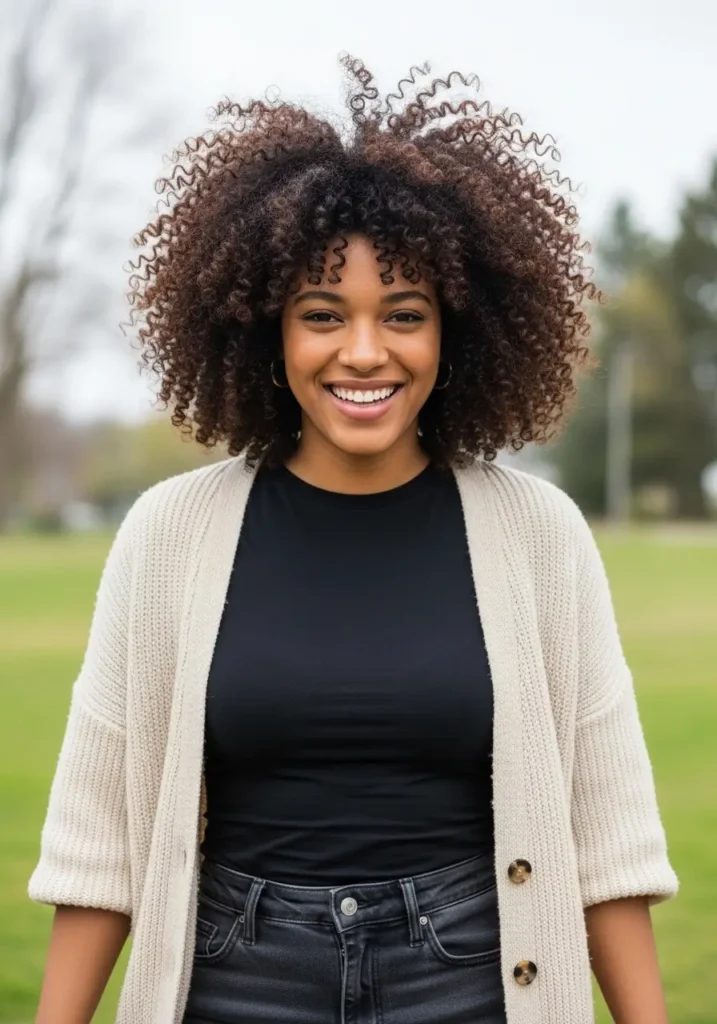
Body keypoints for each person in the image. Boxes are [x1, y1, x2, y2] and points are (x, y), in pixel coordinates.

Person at [29, 55, 678, 1024]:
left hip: (470, 977)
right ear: (265, 333)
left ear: (456, 330)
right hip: (233, 976)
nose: (364, 352)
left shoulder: (542, 536)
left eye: (404, 317)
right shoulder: (168, 535)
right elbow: (96, 842)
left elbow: (610, 834)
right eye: (322, 315)